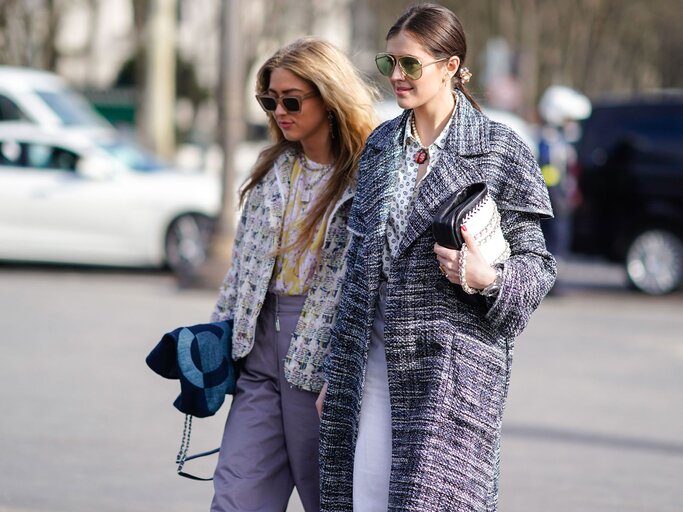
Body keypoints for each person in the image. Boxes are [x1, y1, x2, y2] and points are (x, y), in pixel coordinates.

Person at [317, 4, 556, 512]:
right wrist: (336, 375)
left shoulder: (498, 149)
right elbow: (356, 268)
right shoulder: (381, 145)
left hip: (450, 367)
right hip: (372, 357)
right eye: (389, 64)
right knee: (363, 498)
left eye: (410, 64)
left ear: (451, 66)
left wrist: (487, 276)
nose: (396, 77)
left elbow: (538, 266)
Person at [209, 37, 377, 512]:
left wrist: (347, 368)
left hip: (321, 356)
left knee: (330, 498)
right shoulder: (272, 170)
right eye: (269, 99)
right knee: (236, 495)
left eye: (291, 99)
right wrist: (217, 334)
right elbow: (240, 270)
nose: (279, 110)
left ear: (329, 97)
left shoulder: (368, 176)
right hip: (258, 353)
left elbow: (374, 283)